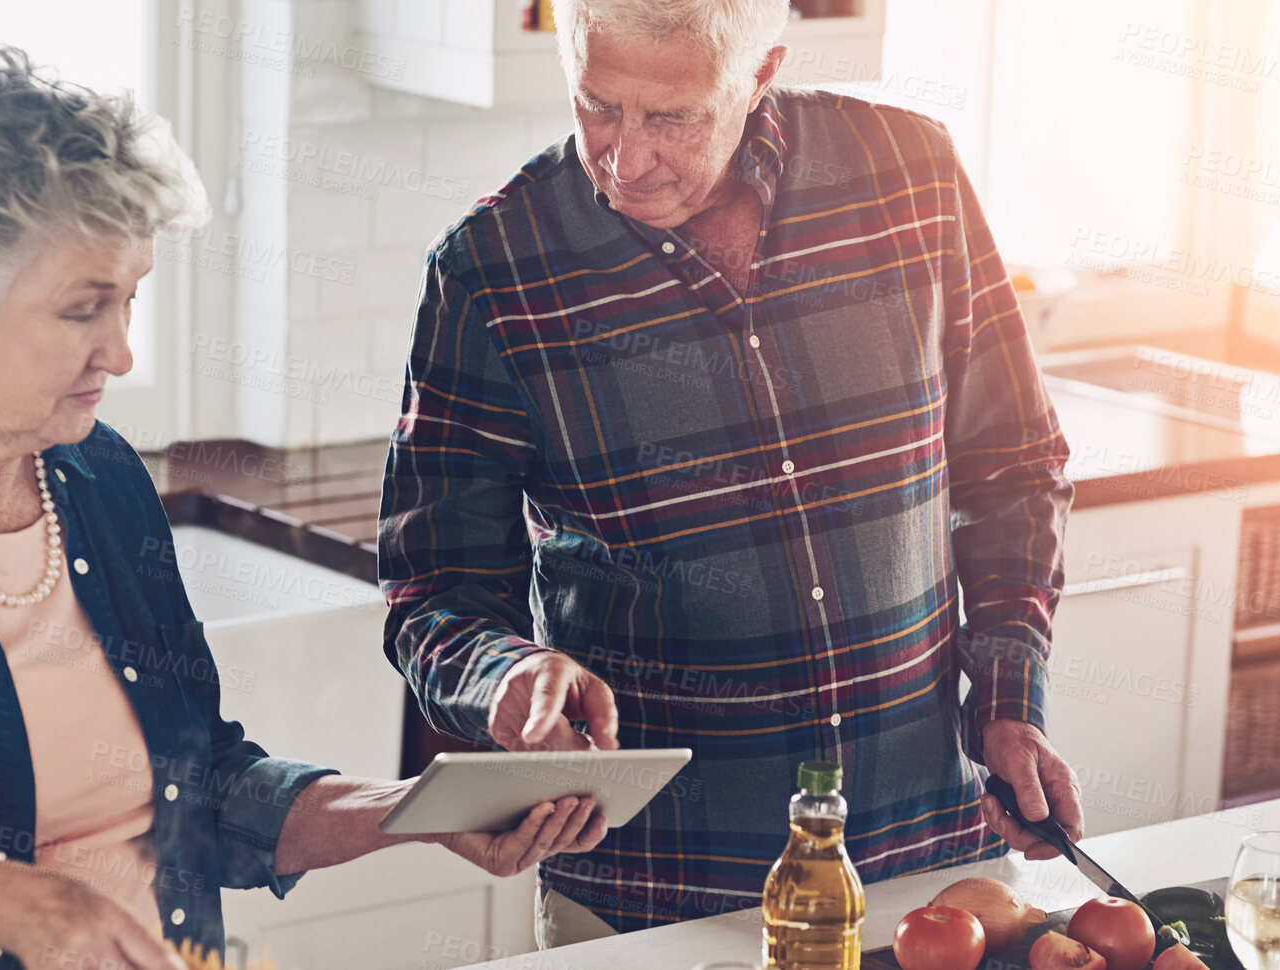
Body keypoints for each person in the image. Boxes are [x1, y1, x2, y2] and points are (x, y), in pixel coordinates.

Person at [0, 47, 605, 970]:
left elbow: (202, 787)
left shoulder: (98, 479)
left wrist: (425, 813)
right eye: (82, 310)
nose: (122, 354)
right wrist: (17, 906)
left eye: (131, 301)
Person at [380, 0, 1079, 946]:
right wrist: (505, 674)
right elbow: (434, 590)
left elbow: (1013, 467)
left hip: (926, 870)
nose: (625, 159)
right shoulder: (491, 270)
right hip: (659, 897)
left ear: (760, 74)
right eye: (596, 105)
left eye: (670, 119)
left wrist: (1005, 701)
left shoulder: (912, 178)